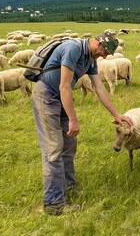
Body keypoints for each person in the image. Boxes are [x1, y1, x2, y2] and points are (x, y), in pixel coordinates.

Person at [31, 32, 133, 216]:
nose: (104, 56)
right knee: (53, 148)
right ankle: (54, 203)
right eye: (104, 51)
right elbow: (64, 85)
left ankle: (69, 187)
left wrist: (117, 114)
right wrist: (73, 119)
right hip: (46, 96)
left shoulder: (90, 59)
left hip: (62, 97)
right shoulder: (73, 49)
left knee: (69, 145)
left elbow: (99, 87)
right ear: (98, 42)